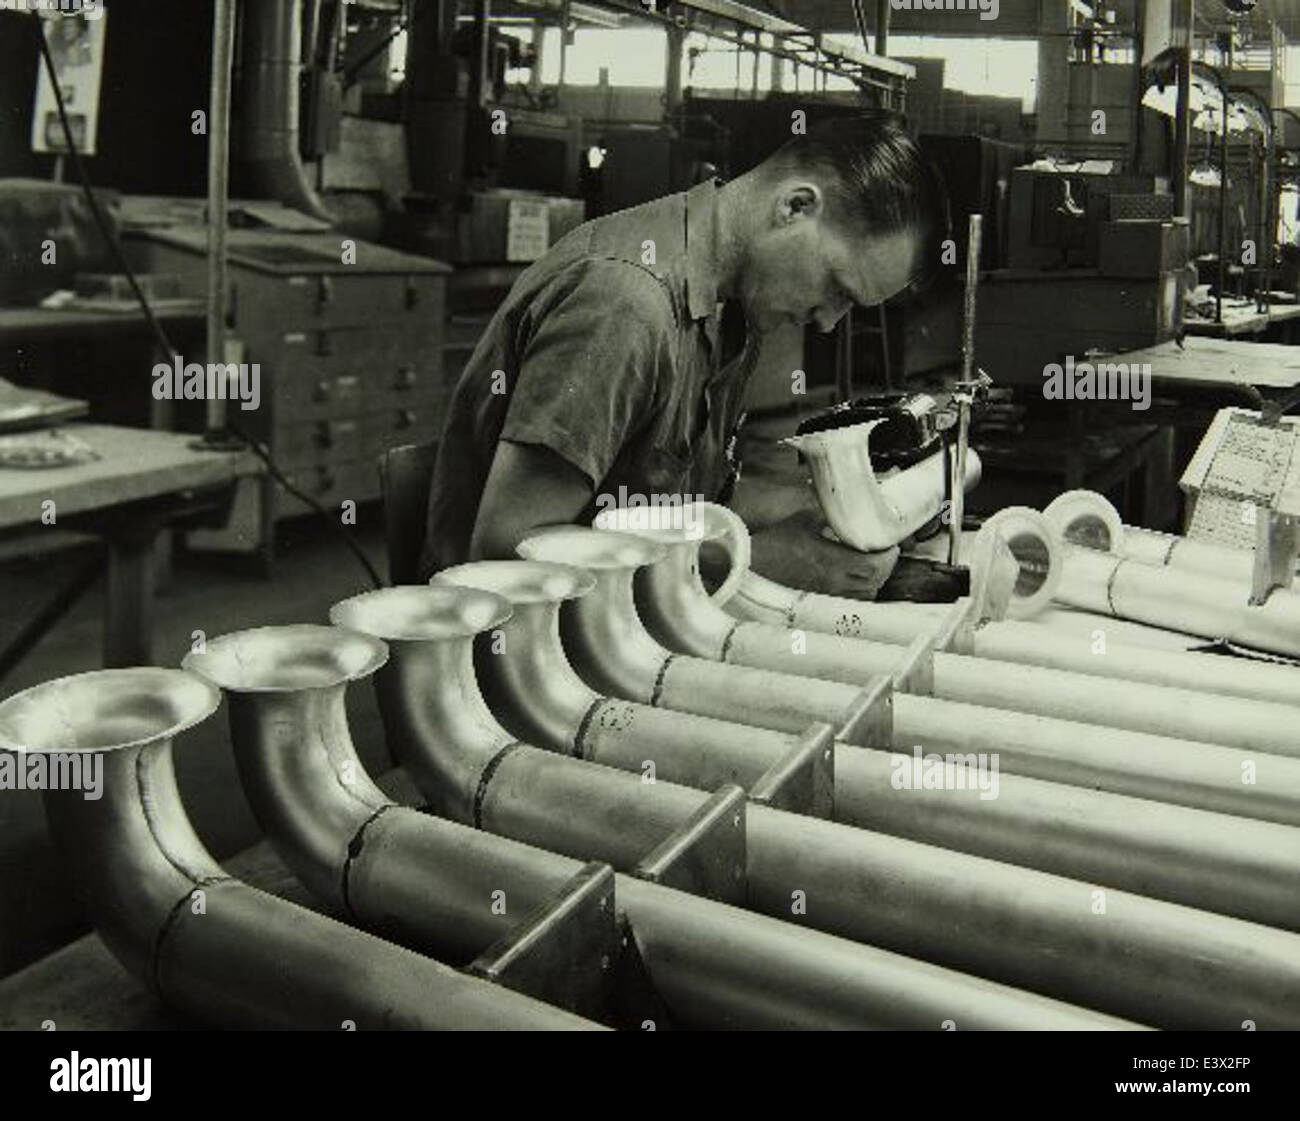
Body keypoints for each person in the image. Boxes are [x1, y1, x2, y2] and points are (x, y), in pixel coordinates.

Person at [419, 115, 948, 597]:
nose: (830, 320)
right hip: (509, 654)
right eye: (837, 287)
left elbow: (679, 502)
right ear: (795, 206)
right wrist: (746, 563)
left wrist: (824, 507)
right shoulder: (624, 303)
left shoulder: (731, 304)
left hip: (621, 622)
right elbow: (505, 552)